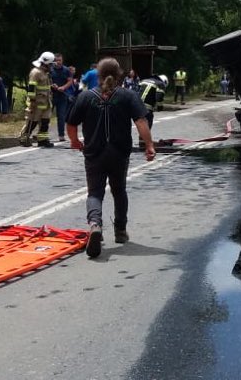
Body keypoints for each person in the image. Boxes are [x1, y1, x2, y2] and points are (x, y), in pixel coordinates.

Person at [66, 57, 154, 258]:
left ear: (97, 75)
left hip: (94, 152)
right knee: (119, 190)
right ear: (119, 74)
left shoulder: (86, 97)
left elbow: (71, 124)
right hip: (119, 152)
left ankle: (95, 225)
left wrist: (75, 142)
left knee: (95, 193)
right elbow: (141, 121)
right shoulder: (128, 96)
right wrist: (149, 145)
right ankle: (120, 232)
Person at [19, 51, 55, 148]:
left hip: (46, 103)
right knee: (32, 122)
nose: (52, 66)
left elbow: (44, 86)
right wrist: (32, 101)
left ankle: (42, 140)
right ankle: (24, 138)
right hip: (37, 103)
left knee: (45, 123)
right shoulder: (35, 72)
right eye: (51, 64)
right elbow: (31, 88)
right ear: (45, 64)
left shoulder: (45, 73)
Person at [50, 53, 74, 141]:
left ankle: (61, 135)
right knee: (47, 116)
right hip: (51, 96)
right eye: (56, 60)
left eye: (59, 60)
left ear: (62, 60)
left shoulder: (66, 70)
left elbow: (70, 81)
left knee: (61, 116)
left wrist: (63, 87)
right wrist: (52, 85)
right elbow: (47, 80)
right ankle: (44, 136)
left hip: (62, 96)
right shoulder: (50, 70)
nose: (58, 62)